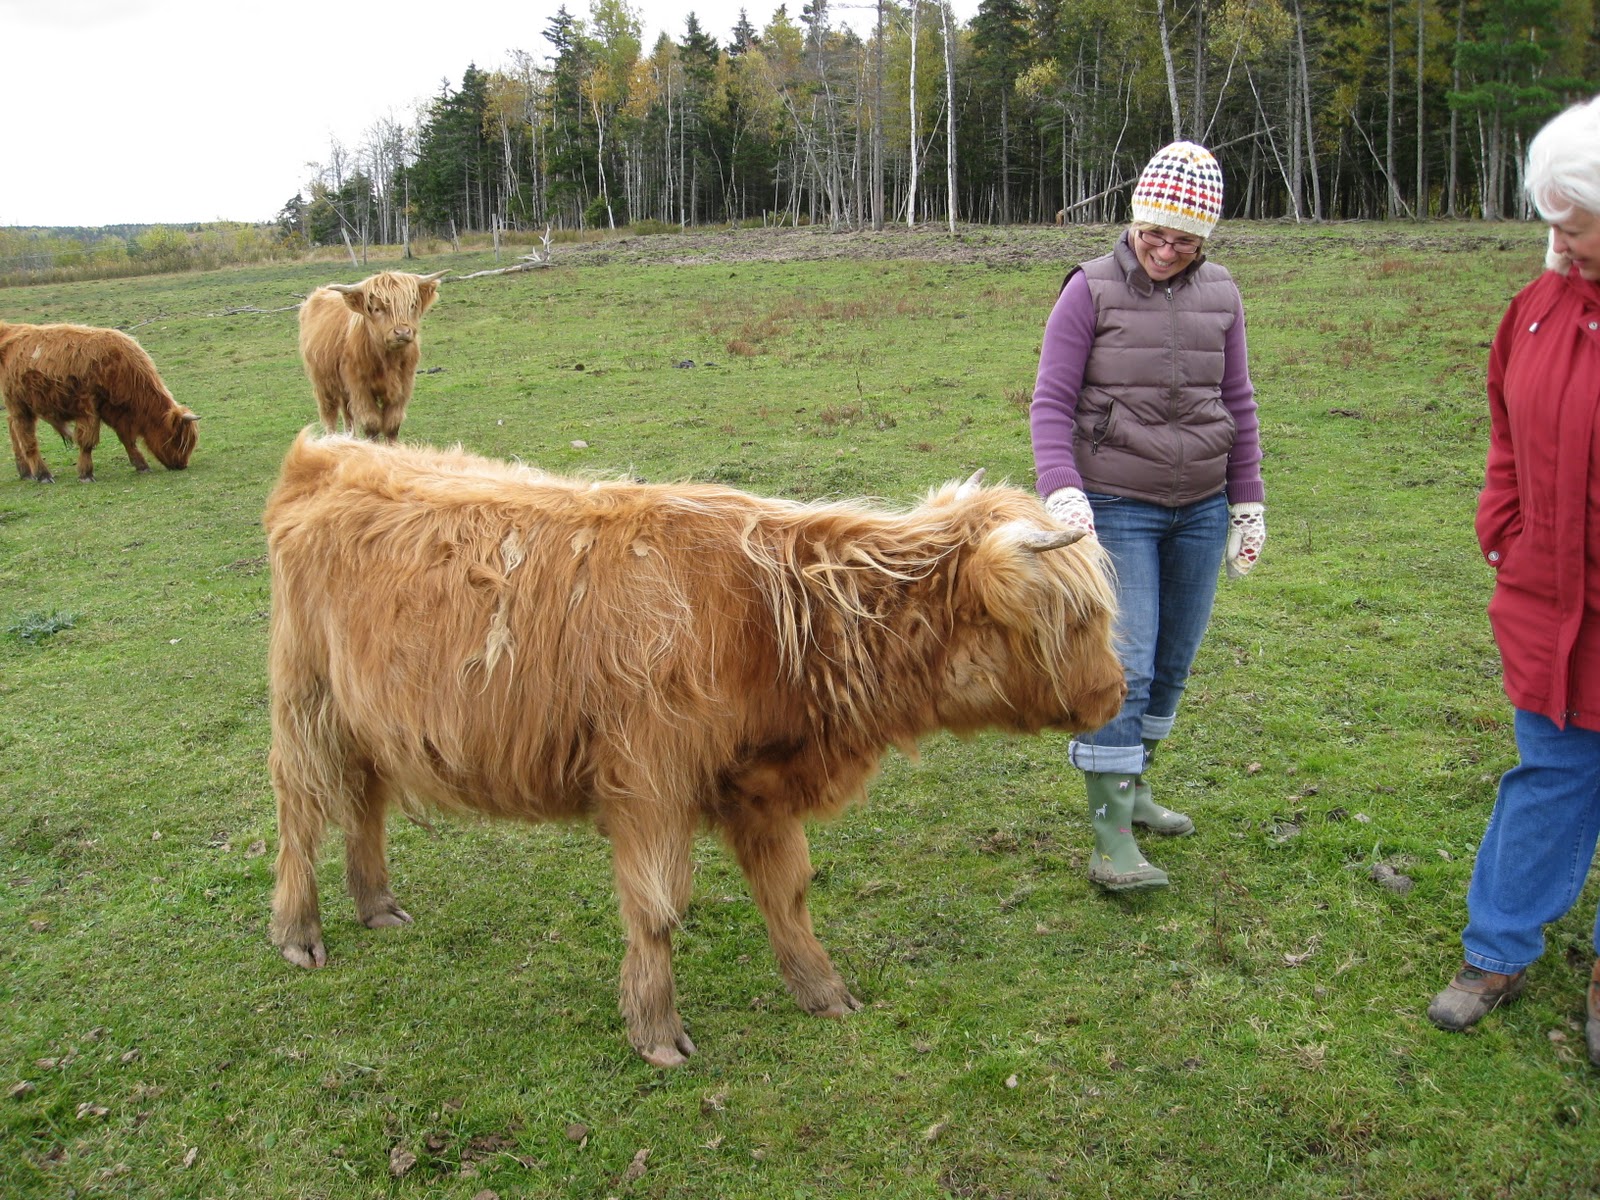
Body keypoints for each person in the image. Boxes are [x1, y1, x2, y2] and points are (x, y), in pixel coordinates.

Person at [1029, 141, 1265, 893]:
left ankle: (1136, 795)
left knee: (1173, 664)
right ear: (1134, 220)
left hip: (1198, 508)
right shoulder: (1089, 290)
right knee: (1121, 665)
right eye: (1153, 233)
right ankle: (1109, 839)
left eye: (1184, 238)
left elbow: (1239, 402)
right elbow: (1050, 404)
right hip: (1117, 509)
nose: (1165, 249)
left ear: (1206, 239)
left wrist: (1247, 499)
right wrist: (1063, 488)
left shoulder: (1223, 294)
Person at [1428, 94, 1600, 1067]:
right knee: (1545, 776)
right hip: (1548, 602)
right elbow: (1504, 426)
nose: (1556, 237)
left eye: (1573, 220)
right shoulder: (1533, 314)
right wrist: (1503, 522)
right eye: (1550, 218)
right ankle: (1497, 950)